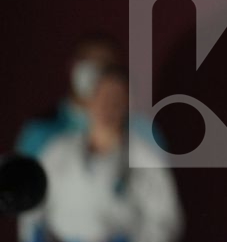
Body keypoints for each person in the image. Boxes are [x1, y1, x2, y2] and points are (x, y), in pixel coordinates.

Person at [16, 65, 182, 242]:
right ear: (89, 101)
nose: (107, 105)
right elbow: (33, 205)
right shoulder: (57, 151)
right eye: (101, 96)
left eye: (116, 98)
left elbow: (167, 220)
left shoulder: (144, 158)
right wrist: (34, 240)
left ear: (128, 103)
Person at [16, 34, 154, 158]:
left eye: (104, 63)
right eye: (87, 60)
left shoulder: (141, 131)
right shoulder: (40, 131)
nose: (94, 70)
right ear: (71, 66)